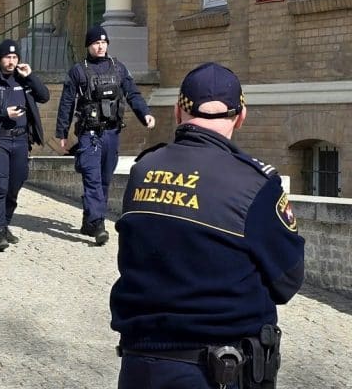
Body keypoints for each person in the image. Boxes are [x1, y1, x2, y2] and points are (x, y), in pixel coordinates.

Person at [110, 62, 305, 389]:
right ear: (241, 116)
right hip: (215, 371)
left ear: (177, 112)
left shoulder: (143, 170)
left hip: (140, 365)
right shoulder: (254, 184)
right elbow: (287, 280)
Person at [55, 25, 156, 246]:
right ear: (88, 46)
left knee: (104, 179)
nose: (100, 47)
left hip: (111, 132)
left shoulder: (118, 68)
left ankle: (89, 220)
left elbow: (132, 94)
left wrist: (145, 114)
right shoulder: (78, 71)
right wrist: (62, 132)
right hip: (89, 134)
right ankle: (99, 224)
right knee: (92, 177)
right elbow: (66, 102)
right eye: (95, 43)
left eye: (103, 42)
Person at [0, 39, 49, 252]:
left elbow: (44, 96)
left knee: (15, 184)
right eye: (7, 57)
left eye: (15, 57)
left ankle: (4, 223)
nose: (11, 62)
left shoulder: (22, 78)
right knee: (0, 186)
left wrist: (31, 77)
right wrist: (3, 113)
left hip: (21, 140)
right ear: (0, 58)